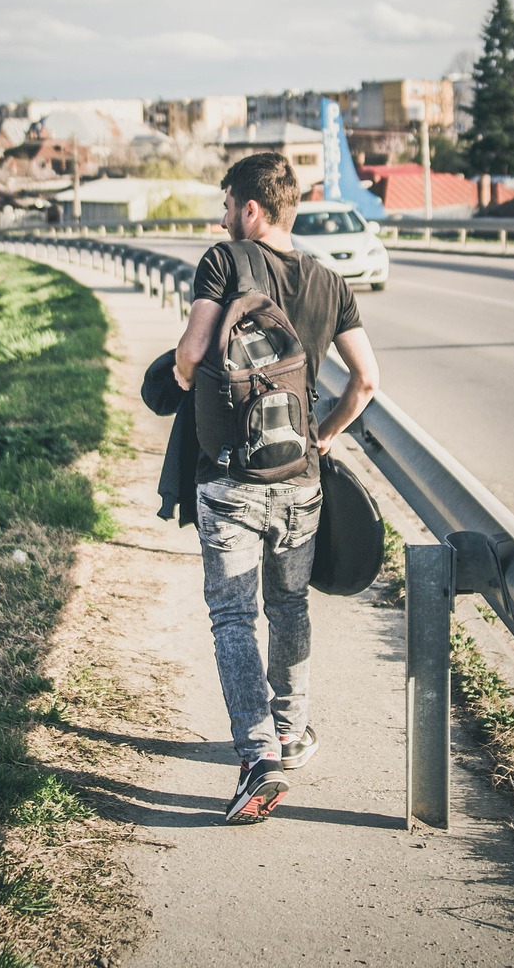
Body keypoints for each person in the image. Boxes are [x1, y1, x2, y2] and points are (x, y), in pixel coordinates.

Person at [173, 152, 379, 824]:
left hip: (230, 476)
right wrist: (323, 434)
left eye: (228, 204)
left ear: (251, 209)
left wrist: (181, 375)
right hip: (302, 479)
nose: (222, 215)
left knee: (234, 615)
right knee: (289, 606)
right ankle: (289, 733)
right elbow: (367, 380)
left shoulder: (224, 261)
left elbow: (193, 353)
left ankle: (257, 756)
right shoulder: (329, 280)